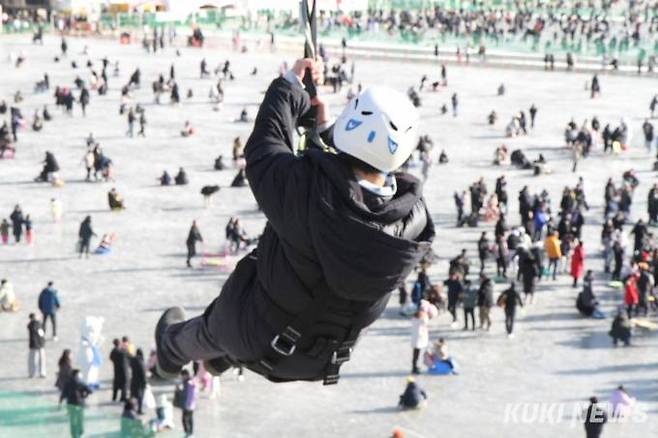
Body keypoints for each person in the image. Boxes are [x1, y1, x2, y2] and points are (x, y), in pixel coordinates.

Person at [155, 58, 432, 386]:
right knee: (286, 304)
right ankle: (218, 364)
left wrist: (288, 88)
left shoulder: (305, 192)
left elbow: (264, 150)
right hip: (321, 357)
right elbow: (360, 189)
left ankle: (169, 358)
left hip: (256, 335)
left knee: (209, 328)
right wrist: (327, 132)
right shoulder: (412, 220)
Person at [60, 369, 92, 438]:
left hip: (70, 404)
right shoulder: (81, 382)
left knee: (72, 421)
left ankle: (74, 435)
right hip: (79, 404)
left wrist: (60, 402)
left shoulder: (67, 383)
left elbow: (63, 394)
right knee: (80, 420)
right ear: (77, 375)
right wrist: (84, 396)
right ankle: (80, 433)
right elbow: (90, 390)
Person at [110, 339, 130, 403]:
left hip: (116, 370)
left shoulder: (113, 351)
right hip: (123, 370)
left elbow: (111, 358)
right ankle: (123, 397)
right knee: (124, 383)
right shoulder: (122, 352)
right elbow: (129, 356)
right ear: (119, 344)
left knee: (116, 384)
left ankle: (114, 397)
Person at [27, 313, 46, 378]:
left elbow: (41, 334)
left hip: (37, 344)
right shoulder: (34, 324)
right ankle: (38, 373)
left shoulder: (35, 324)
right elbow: (41, 334)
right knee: (36, 359)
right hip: (37, 344)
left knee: (35, 359)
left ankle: (34, 373)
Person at [181, 369, 198, 437]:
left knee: (185, 419)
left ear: (185, 375)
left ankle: (188, 433)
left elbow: (192, 394)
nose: (181, 377)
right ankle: (190, 432)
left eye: (182, 376)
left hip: (188, 405)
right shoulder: (188, 381)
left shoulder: (190, 383)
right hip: (190, 404)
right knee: (189, 419)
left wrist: (188, 404)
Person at [130, 349, 147, 414]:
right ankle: (139, 410)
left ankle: (131, 408)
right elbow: (143, 373)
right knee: (140, 397)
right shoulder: (141, 362)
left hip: (133, 380)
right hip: (140, 382)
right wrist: (145, 382)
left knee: (133, 396)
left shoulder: (133, 360)